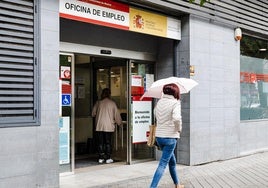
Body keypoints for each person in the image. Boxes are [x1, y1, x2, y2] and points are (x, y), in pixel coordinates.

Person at [150, 83, 184, 188]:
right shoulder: (175, 103)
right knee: (163, 164)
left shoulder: (159, 102)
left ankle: (177, 184)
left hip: (159, 137)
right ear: (175, 92)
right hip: (170, 137)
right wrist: (179, 129)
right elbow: (177, 118)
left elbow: (155, 113)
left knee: (172, 162)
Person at [92, 88, 122, 164]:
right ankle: (108, 158)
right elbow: (117, 115)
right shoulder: (112, 103)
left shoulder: (98, 103)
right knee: (108, 142)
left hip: (99, 125)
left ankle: (101, 158)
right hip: (109, 126)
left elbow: (93, 113)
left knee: (100, 142)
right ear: (109, 94)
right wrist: (119, 123)